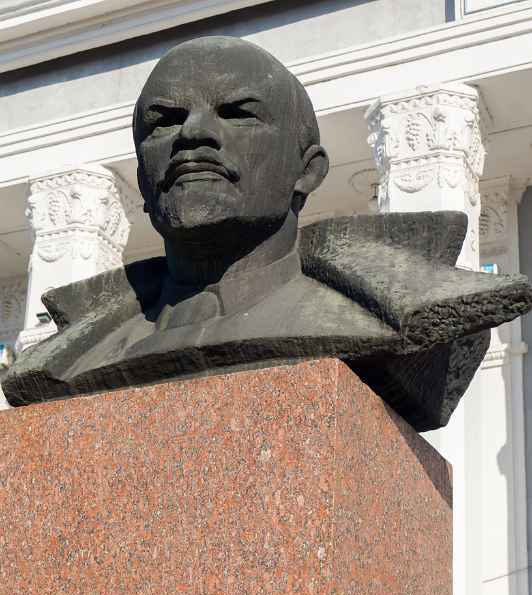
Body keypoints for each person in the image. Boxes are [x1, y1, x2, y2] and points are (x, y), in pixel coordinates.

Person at [4, 36, 532, 430]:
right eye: (164, 121)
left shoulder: (397, 319)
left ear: (308, 171)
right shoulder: (72, 353)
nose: (193, 134)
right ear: (143, 180)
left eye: (237, 113)